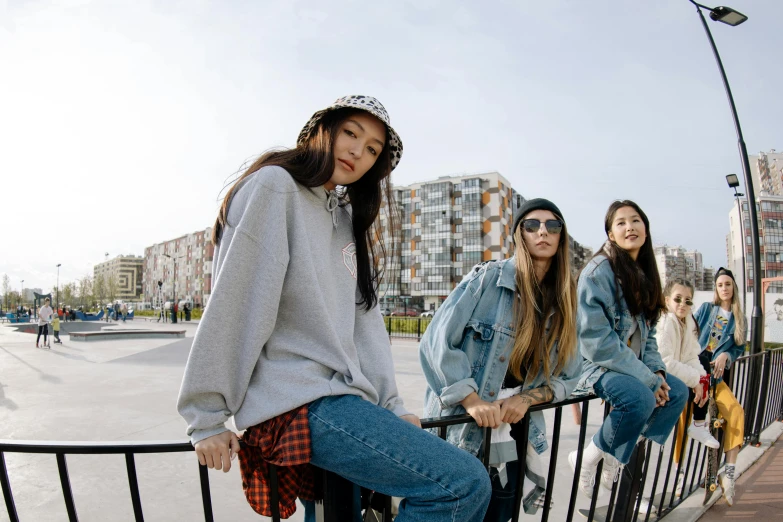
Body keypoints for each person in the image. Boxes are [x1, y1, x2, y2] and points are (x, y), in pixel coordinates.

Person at [176, 95, 491, 521]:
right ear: (322, 131)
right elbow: (237, 302)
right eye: (351, 134)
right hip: (300, 400)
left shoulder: (345, 218)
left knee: (335, 513)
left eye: (373, 149)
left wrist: (391, 406)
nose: (358, 152)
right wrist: (207, 415)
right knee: (461, 483)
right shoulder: (276, 187)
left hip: (339, 400)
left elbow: (365, 325)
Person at [420, 198, 581, 520]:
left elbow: (572, 375)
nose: (542, 232)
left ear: (562, 236)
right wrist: (471, 399)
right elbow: (436, 342)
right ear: (519, 234)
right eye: (531, 225)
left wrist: (527, 399)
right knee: (455, 507)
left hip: (513, 425)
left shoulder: (563, 298)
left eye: (553, 225)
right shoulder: (487, 279)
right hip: (464, 423)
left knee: (501, 508)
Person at [569, 200, 688, 498]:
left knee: (678, 393)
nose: (629, 227)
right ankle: (590, 458)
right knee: (639, 399)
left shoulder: (644, 277)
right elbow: (597, 342)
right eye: (620, 222)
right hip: (591, 364)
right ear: (610, 234)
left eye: (635, 220)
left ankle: (608, 455)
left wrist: (658, 371)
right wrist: (648, 380)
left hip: (628, 366)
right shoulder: (597, 272)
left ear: (645, 231)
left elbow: (647, 338)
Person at [657, 278, 717, 497]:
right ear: (667, 300)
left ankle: (699, 425)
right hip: (658, 385)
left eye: (688, 300)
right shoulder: (667, 322)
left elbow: (692, 356)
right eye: (678, 299)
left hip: (673, 386)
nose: (682, 304)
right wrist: (695, 380)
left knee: (703, 378)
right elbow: (666, 362)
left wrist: (701, 380)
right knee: (638, 445)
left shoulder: (688, 321)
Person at [693, 267, 746, 507]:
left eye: (728, 284)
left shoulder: (738, 319)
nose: (724, 288)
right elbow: (689, 333)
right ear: (716, 288)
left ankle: (729, 472)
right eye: (720, 284)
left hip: (715, 379)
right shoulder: (706, 310)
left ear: (733, 287)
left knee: (735, 412)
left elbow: (738, 348)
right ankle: (681, 473)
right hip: (695, 373)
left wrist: (726, 354)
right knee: (687, 423)